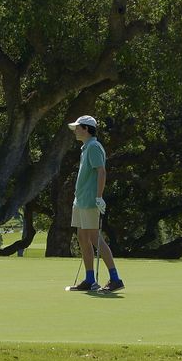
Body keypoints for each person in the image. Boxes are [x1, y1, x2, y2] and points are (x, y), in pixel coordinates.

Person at [67, 114, 122, 292]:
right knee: (82, 237)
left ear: (86, 129)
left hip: (90, 199)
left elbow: (101, 172)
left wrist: (99, 196)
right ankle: (89, 279)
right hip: (80, 200)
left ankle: (115, 279)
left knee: (94, 238)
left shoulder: (94, 147)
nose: (75, 130)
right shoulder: (86, 147)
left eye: (77, 127)